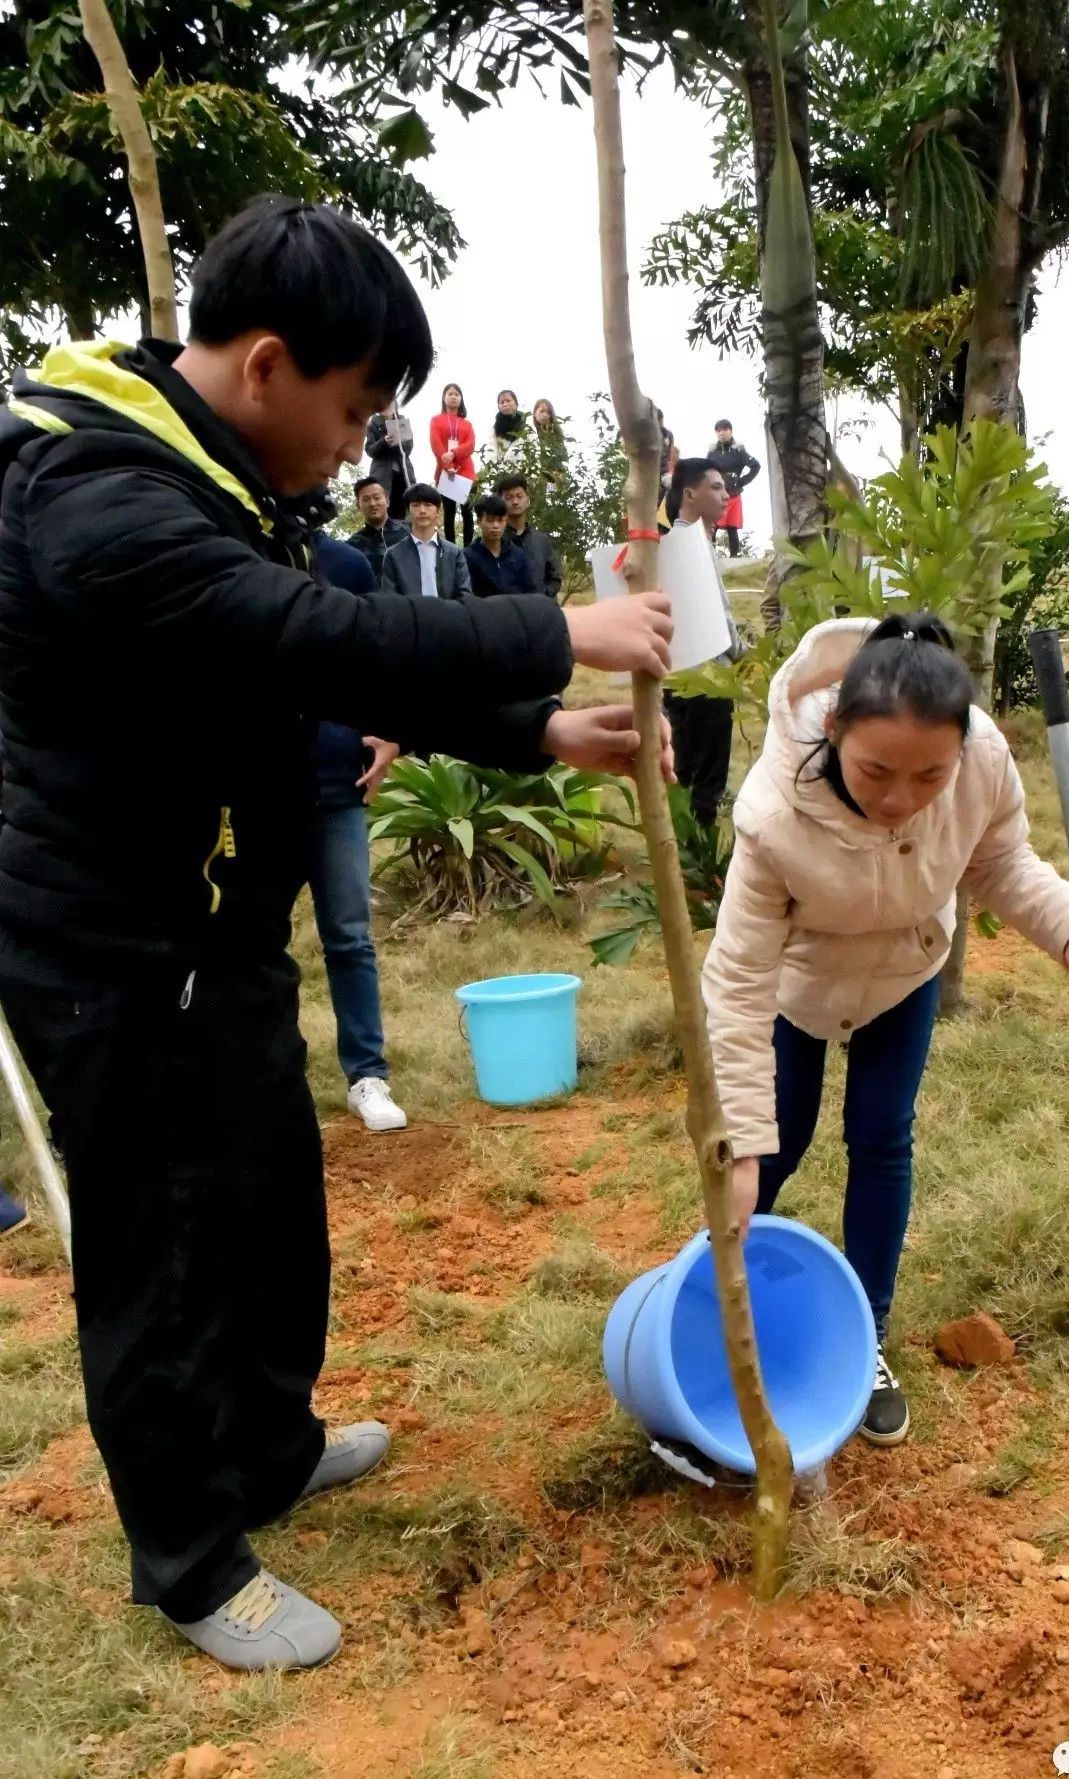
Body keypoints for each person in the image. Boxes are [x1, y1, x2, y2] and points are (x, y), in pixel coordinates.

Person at [0, 195, 674, 1673]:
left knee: (263, 1187)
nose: (361, 442)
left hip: (217, 915)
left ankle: (268, 1442)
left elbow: (321, 654)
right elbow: (312, 640)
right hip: (109, 936)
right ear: (262, 364)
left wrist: (537, 727)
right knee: (158, 1241)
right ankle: (191, 1553)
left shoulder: (219, 480)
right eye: (357, 406)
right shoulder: (92, 499)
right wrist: (557, 626)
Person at [702, 613, 1069, 1449]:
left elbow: (1002, 861)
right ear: (833, 729)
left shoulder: (983, 762)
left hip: (906, 968)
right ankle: (719, 1311)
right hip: (801, 981)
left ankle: (862, 1338)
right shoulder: (773, 814)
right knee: (772, 1150)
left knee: (882, 1137)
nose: (901, 798)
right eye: (876, 771)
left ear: (961, 750)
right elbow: (739, 982)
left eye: (929, 774)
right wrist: (740, 1142)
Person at [292, 492, 408, 1135]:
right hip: (258, 791)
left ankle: (368, 1075)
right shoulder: (237, 562)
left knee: (348, 937)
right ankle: (266, 1082)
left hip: (337, 785)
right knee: (252, 945)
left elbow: (380, 661)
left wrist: (391, 734)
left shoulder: (350, 568)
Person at [664, 458, 742, 825]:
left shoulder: (689, 542)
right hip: (704, 674)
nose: (725, 494)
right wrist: (741, 651)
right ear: (690, 494)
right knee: (704, 774)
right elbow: (714, 610)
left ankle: (688, 847)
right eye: (716, 487)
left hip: (683, 675)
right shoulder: (686, 544)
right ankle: (700, 855)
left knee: (687, 766)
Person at [384, 483, 473, 602]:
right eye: (415, 505)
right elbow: (390, 600)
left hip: (449, 617)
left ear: (438, 511)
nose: (422, 510)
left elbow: (465, 596)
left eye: (428, 505)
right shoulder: (393, 555)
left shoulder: (455, 553)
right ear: (408, 512)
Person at [497, 473, 561, 601]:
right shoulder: (494, 541)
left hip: (540, 613)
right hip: (505, 614)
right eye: (509, 498)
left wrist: (543, 597)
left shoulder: (541, 541)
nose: (515, 501)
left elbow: (554, 578)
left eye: (519, 496)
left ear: (528, 501)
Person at [429, 383, 476, 547]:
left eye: (457, 394)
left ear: (461, 399)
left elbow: (470, 445)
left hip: (465, 472)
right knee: (449, 513)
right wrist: (447, 465)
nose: (453, 396)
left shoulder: (467, 424)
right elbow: (436, 445)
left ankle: (469, 549)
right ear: (444, 397)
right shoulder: (436, 420)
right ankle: (450, 549)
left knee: (468, 512)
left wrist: (454, 453)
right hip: (445, 472)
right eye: (450, 393)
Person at [708, 419, 761, 558]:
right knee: (713, 526)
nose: (722, 433)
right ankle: (711, 557)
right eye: (719, 430)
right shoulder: (712, 452)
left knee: (732, 527)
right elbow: (705, 471)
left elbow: (756, 466)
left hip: (733, 494)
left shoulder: (739, 450)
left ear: (731, 431)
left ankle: (734, 558)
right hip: (715, 496)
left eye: (725, 429)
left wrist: (742, 481)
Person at [468, 494, 536, 598]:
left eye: (500, 520)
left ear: (506, 521)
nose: (496, 525)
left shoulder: (519, 556)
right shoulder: (468, 557)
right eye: (490, 520)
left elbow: (530, 592)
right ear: (479, 521)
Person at [347, 476, 411, 584]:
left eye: (376, 498)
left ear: (387, 501)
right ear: (358, 506)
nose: (372, 503)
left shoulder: (411, 531)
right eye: (366, 500)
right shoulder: (352, 546)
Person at [363, 404, 415, 518]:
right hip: (382, 475)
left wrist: (397, 442)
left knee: (402, 511)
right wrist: (384, 442)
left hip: (403, 473)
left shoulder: (401, 421)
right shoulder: (374, 423)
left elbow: (408, 448)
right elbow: (369, 450)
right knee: (383, 509)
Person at [532, 396, 567, 486]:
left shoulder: (556, 433)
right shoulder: (530, 433)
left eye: (548, 412)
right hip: (535, 476)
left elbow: (562, 456)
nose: (545, 415)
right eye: (542, 411)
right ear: (535, 413)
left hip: (554, 477)